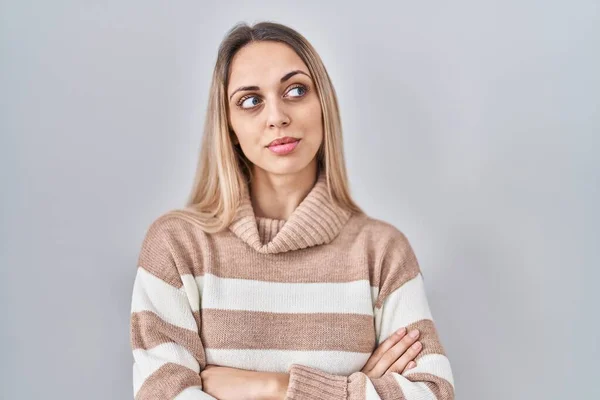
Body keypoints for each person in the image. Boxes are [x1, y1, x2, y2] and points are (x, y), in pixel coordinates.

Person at [129, 21, 455, 400]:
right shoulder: (177, 248)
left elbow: (433, 394)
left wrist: (274, 387)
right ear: (229, 124)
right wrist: (358, 387)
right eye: (250, 100)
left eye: (296, 90)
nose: (277, 117)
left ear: (323, 104)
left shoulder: (381, 252)